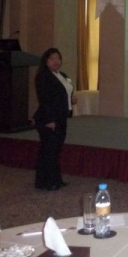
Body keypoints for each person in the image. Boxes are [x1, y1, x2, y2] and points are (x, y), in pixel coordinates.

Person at [33, 48, 77, 191]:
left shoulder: (63, 75)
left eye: (58, 58)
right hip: (48, 118)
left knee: (56, 149)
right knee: (48, 150)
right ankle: (44, 182)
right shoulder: (43, 76)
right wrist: (49, 120)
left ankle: (56, 180)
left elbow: (66, 91)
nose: (55, 61)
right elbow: (44, 99)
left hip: (61, 116)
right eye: (52, 59)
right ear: (46, 61)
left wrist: (71, 98)